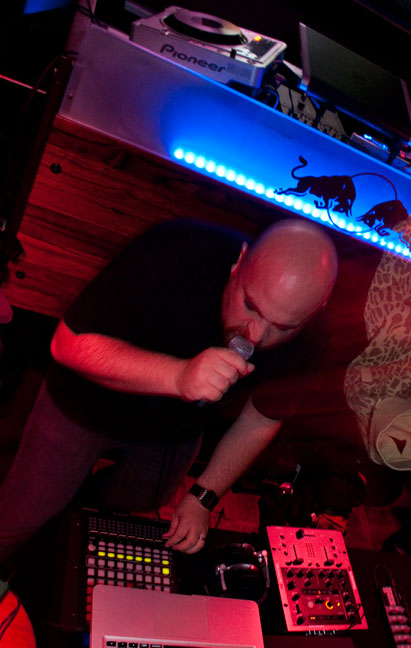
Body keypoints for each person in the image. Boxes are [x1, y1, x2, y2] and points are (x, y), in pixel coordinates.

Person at [0, 217, 338, 562]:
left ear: (313, 313)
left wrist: (204, 497)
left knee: (135, 504)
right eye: (250, 305)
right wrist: (178, 376)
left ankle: (66, 528)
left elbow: (261, 420)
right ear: (239, 262)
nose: (254, 336)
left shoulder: (314, 336)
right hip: (84, 402)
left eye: (282, 328)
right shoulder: (176, 246)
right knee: (24, 514)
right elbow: (67, 344)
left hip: (172, 431)